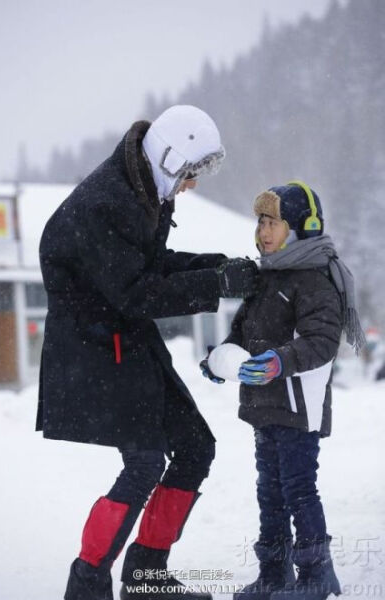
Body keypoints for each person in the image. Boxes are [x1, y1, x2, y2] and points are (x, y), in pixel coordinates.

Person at [36, 104, 258, 600]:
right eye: (191, 174)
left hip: (128, 340)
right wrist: (216, 283)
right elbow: (137, 292)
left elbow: (153, 265)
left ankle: (145, 577)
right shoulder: (106, 203)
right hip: (95, 350)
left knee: (196, 446)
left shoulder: (145, 188)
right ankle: (87, 584)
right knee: (144, 462)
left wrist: (221, 267)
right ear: (171, 157)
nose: (192, 186)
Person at [200, 181, 365, 600]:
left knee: (298, 488)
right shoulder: (264, 278)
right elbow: (242, 332)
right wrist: (220, 358)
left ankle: (316, 574)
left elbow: (321, 341)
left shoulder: (313, 279)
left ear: (302, 228)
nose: (263, 231)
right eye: (260, 221)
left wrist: (279, 361)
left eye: (273, 222)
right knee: (269, 491)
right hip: (264, 406)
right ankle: (274, 574)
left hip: (297, 406)